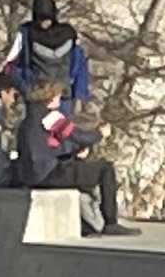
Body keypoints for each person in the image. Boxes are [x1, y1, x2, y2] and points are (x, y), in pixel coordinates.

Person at [14, 83, 128, 235]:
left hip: (31, 176)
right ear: (50, 99)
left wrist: (74, 154)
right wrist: (100, 133)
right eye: (58, 95)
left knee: (78, 169)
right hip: (48, 175)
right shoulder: (50, 116)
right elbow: (81, 136)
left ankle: (87, 223)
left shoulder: (26, 121)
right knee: (105, 168)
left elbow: (43, 150)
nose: (60, 98)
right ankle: (110, 222)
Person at [0, 0, 90, 120]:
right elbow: (12, 65)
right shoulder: (68, 34)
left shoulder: (27, 33)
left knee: (53, 136)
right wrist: (25, 89)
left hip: (54, 96)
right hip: (45, 97)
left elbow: (11, 65)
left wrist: (79, 97)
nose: (45, 23)